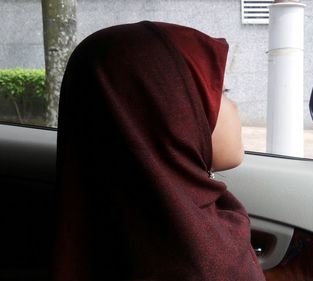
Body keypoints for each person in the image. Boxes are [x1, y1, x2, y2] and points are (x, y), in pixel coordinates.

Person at [53, 21, 266, 281]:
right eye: (222, 91)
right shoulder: (207, 260)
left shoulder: (88, 229)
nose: (234, 107)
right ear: (170, 113)